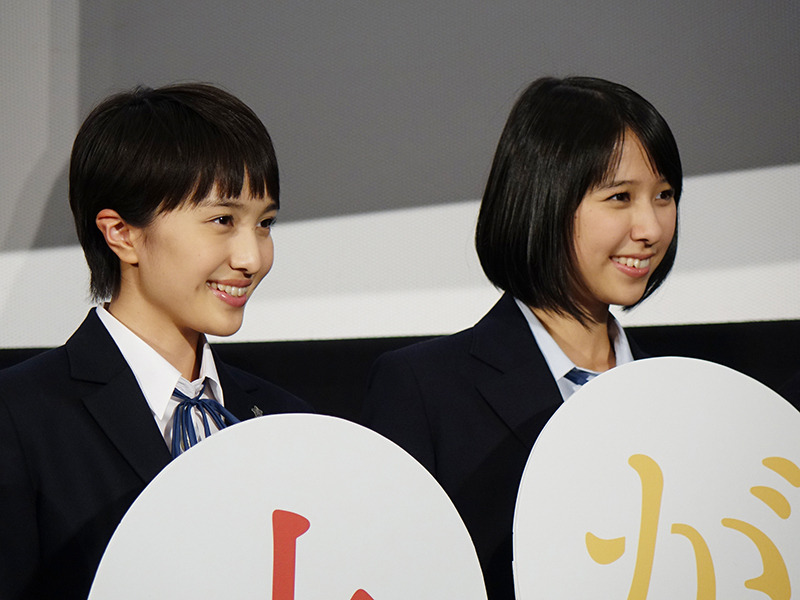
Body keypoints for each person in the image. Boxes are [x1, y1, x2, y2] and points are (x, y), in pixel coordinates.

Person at [361, 76, 682, 599]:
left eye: (665, 195)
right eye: (620, 197)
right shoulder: (423, 389)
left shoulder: (682, 399)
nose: (649, 227)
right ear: (543, 199)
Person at [0, 83, 312, 599]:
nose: (252, 258)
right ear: (121, 232)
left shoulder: (284, 419)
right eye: (222, 220)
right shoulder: (19, 417)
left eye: (265, 224)